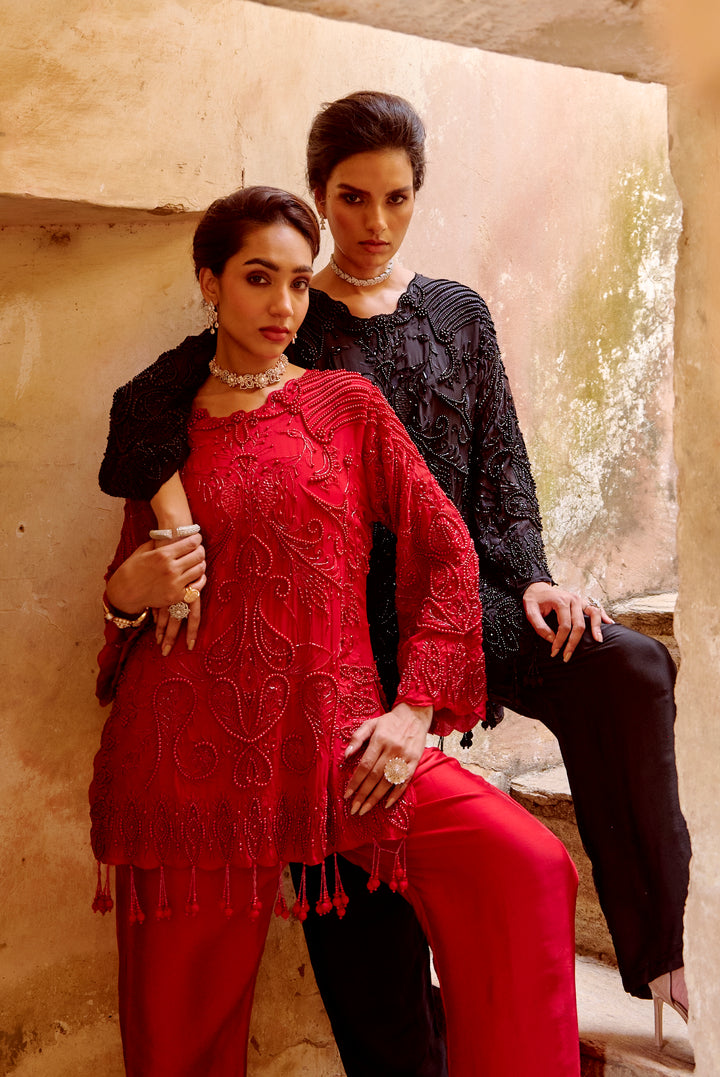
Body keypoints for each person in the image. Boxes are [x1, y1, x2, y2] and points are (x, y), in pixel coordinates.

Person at [97, 92, 690, 1070]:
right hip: (192, 758)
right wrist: (132, 586)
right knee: (192, 1040)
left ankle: (658, 954)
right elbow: (125, 584)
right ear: (211, 283)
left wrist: (421, 702)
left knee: (533, 857)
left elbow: (457, 536)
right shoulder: (167, 421)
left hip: (345, 728)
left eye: (296, 283)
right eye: (259, 279)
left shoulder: (350, 399)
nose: (283, 305)